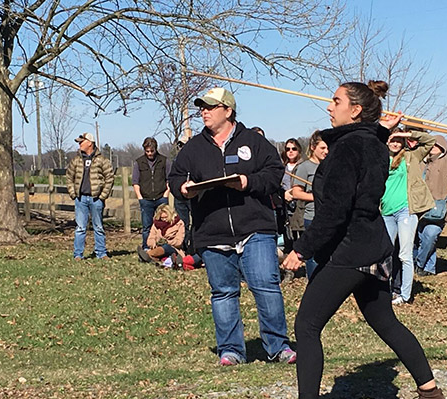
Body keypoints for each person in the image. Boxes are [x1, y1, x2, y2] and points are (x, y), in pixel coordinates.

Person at [283, 81, 447, 399]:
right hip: (373, 245)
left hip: (351, 249)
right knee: (386, 322)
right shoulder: (372, 143)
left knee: (307, 324)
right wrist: (377, 129)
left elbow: (334, 212)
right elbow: (366, 152)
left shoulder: (349, 147)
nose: (329, 107)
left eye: (336, 101)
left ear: (355, 109)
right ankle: (432, 398)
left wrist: (301, 250)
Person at [168, 87, 296, 366]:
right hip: (212, 232)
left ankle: (278, 346)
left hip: (255, 229)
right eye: (202, 107)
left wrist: (248, 183)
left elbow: (274, 174)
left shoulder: (254, 141)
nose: (204, 111)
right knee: (223, 292)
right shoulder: (193, 148)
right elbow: (175, 177)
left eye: (211, 107)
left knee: (266, 286)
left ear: (228, 111)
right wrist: (183, 189)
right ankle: (231, 350)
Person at [381, 129, 435, 304]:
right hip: (386, 211)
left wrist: (408, 135)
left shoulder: (411, 157)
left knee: (404, 254)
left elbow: (430, 141)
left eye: (399, 140)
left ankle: (405, 295)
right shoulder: (381, 158)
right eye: (393, 140)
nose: (395, 144)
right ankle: (385, 291)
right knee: (385, 253)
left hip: (406, 210)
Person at [415, 135, 447, 276]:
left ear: (443, 147)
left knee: (430, 235)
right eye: (431, 145)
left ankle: (419, 264)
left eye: (437, 145)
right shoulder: (421, 161)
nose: (434, 147)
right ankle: (429, 268)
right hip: (419, 207)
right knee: (422, 237)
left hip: (438, 208)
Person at [66, 132, 114, 260]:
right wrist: (73, 194)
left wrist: (102, 196)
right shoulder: (76, 160)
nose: (79, 144)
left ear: (90, 143)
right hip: (81, 199)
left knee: (98, 227)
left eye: (81, 142)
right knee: (80, 228)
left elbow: (109, 178)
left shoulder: (102, 160)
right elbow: (69, 177)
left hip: (96, 199)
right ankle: (78, 254)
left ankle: (101, 253)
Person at [291, 131, 328, 278]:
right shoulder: (305, 167)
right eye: (323, 148)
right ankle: (313, 282)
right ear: (313, 147)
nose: (326, 152)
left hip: (328, 217)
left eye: (328, 148)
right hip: (312, 217)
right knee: (313, 255)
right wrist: (316, 197)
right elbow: (296, 193)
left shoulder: (330, 166)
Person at [133, 137, 170, 251]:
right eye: (147, 151)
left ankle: (165, 247)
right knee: (146, 226)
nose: (149, 153)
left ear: (155, 149)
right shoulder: (139, 162)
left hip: (161, 198)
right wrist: (140, 198)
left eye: (151, 151)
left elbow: (169, 179)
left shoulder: (164, 161)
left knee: (164, 224)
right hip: (146, 199)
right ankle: (146, 247)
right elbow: (135, 182)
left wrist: (166, 195)